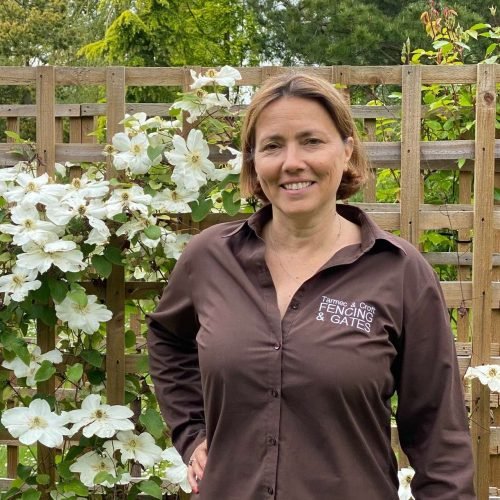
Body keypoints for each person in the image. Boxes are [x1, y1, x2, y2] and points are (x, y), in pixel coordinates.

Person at [147, 72, 475, 499]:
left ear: (347, 150)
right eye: (272, 146)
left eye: (312, 141)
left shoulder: (399, 273)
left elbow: (439, 436)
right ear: (254, 162)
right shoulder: (209, 259)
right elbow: (166, 339)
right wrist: (192, 432)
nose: (292, 162)